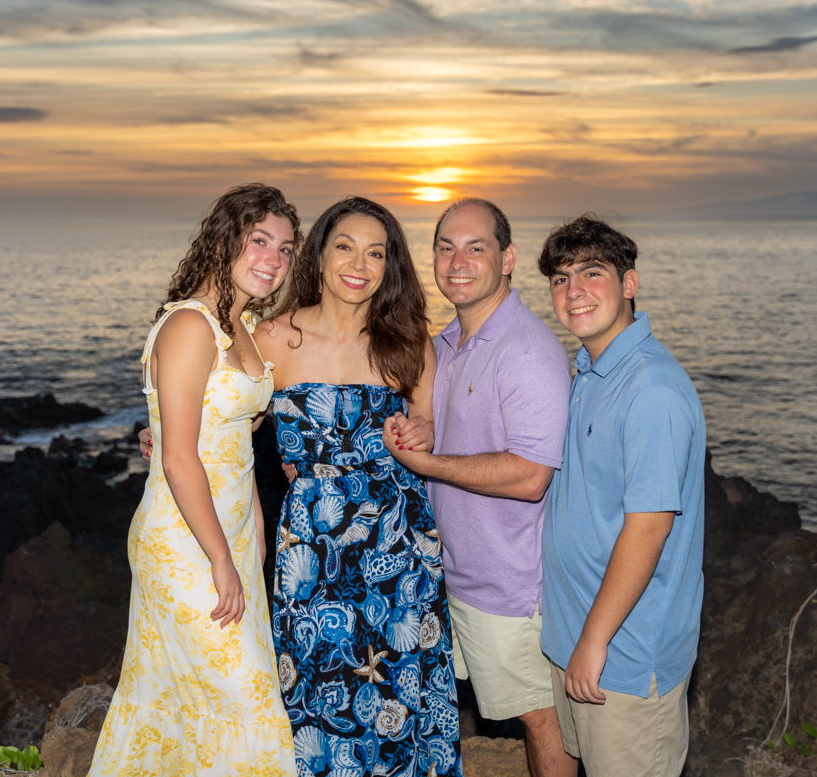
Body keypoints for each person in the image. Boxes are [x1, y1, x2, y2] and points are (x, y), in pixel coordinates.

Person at [90, 184, 300, 777]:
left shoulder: (243, 326)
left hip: (227, 531)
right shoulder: (190, 325)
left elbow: (236, 442)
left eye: (285, 248)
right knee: (245, 701)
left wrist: (255, 524)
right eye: (259, 240)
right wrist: (221, 559)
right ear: (223, 240)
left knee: (174, 704)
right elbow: (180, 459)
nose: (273, 259)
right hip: (185, 544)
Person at [254, 197, 462, 777]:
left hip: (398, 548)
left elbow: (429, 428)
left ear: (389, 265)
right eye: (345, 245)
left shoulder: (407, 342)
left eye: (376, 252)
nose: (359, 263)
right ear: (318, 253)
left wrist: (420, 431)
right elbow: (225, 424)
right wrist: (165, 429)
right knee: (319, 694)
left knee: (399, 691)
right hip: (312, 549)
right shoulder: (272, 340)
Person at [382, 198, 575, 777]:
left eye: (476, 247)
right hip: (455, 571)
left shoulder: (527, 350)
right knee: (479, 711)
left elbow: (530, 474)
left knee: (540, 717)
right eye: (445, 247)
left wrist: (430, 465)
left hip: (510, 583)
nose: (457, 261)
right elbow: (444, 424)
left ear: (508, 258)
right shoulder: (445, 345)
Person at [537, 216, 706, 777]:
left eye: (592, 273)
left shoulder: (651, 388)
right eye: (561, 280)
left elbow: (649, 527)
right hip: (582, 641)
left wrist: (594, 639)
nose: (574, 291)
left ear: (629, 284)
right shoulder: (591, 370)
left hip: (625, 656)